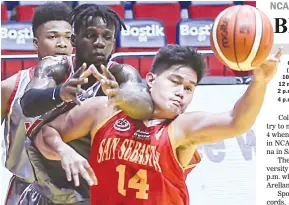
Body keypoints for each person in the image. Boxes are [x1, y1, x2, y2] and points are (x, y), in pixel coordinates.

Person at [34, 44, 282, 205]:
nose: (181, 92)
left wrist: (260, 81)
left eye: (189, 88)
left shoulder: (182, 128)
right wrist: (64, 150)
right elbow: (46, 132)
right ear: (151, 80)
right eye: (175, 82)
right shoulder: (103, 110)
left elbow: (235, 122)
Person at [18, 4, 153, 205]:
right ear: (74, 40)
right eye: (91, 35)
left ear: (113, 43)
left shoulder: (122, 74)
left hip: (94, 192)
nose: (99, 43)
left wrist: (120, 96)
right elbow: (27, 104)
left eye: (107, 37)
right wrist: (59, 93)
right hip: (50, 190)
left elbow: (147, 107)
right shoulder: (54, 68)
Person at [0, 3, 73, 204]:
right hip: (25, 191)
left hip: (75, 195)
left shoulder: (87, 84)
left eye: (68, 37)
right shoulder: (11, 86)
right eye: (53, 37)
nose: (62, 43)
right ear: (35, 43)